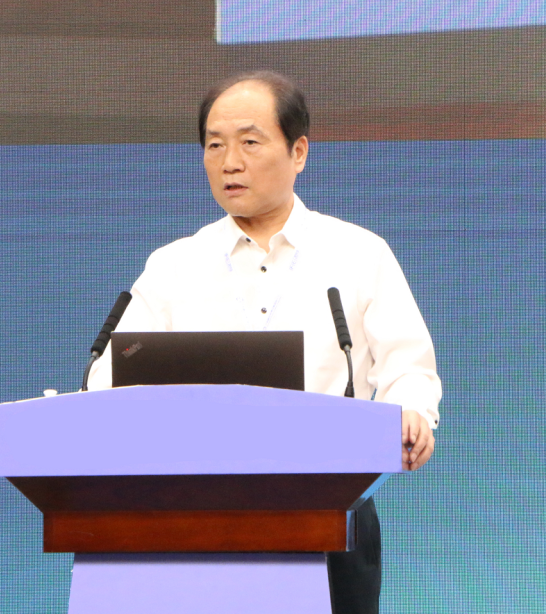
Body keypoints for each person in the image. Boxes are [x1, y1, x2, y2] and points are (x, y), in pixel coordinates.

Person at [86, 70, 442, 614]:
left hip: (329, 511)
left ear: (298, 152)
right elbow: (108, 377)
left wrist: (411, 412)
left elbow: (408, 366)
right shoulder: (174, 265)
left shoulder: (357, 254)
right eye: (214, 145)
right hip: (193, 516)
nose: (230, 162)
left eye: (249, 142)